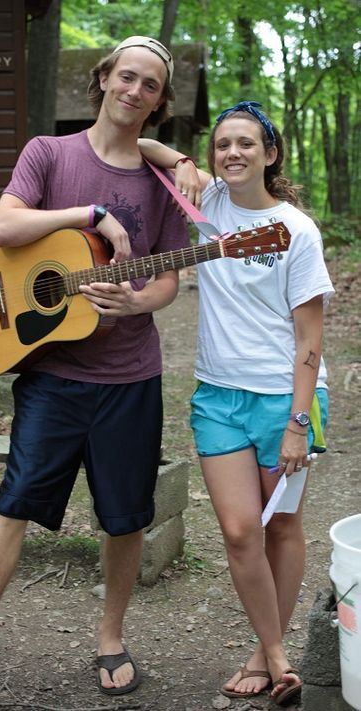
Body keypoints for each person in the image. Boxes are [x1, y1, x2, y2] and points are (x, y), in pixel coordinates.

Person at [0, 36, 189, 711]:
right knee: (12, 505)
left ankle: (110, 639)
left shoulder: (164, 179)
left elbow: (169, 275)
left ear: (159, 102)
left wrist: (137, 300)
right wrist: (92, 214)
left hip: (130, 375)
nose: (133, 92)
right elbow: (3, 226)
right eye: (126, 77)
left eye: (149, 86)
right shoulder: (48, 154)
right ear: (104, 79)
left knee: (126, 518)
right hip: (52, 373)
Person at [139, 100, 334, 706]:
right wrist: (187, 163)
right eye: (224, 143)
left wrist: (299, 424)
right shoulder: (209, 207)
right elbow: (139, 145)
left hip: (289, 398)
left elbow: (310, 339)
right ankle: (280, 655)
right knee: (238, 529)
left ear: (270, 154)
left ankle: (264, 654)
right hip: (218, 395)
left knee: (282, 527)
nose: (233, 153)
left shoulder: (297, 230)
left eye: (246, 143)